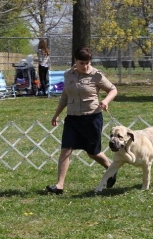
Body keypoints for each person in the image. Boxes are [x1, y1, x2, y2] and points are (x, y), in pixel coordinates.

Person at [46, 47, 118, 194]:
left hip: (92, 118)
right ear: (75, 61)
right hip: (72, 118)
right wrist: (56, 114)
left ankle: (111, 169)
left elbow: (113, 89)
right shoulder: (68, 74)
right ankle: (59, 185)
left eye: (87, 62)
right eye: (81, 63)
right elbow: (65, 96)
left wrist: (106, 101)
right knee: (66, 150)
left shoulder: (96, 75)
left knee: (92, 152)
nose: (85, 66)